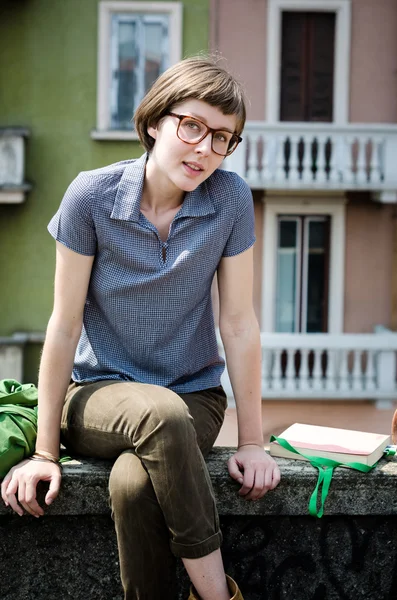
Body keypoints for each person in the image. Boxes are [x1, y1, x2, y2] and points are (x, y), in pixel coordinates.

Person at [1, 56, 280, 600]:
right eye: (193, 126)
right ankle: (217, 596)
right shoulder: (91, 197)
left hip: (194, 395)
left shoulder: (230, 199)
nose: (206, 149)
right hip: (96, 396)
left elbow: (239, 323)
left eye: (224, 138)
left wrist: (252, 442)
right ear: (155, 121)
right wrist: (45, 453)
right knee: (159, 412)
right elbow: (63, 326)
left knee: (133, 485)